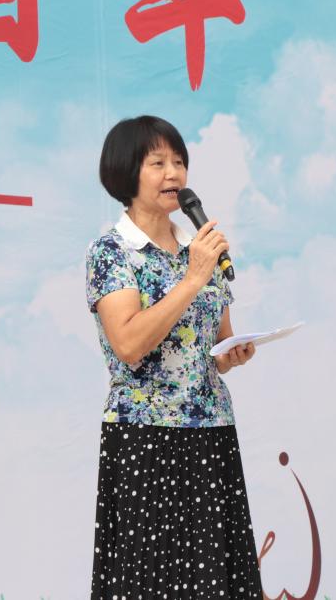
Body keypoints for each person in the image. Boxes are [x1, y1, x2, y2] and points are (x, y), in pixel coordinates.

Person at [86, 115, 262, 598]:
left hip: (210, 433)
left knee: (213, 579)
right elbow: (129, 344)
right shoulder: (112, 251)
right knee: (151, 581)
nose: (174, 174)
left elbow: (214, 347)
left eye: (179, 162)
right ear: (127, 172)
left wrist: (231, 355)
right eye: (158, 163)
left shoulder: (198, 249)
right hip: (146, 438)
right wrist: (192, 278)